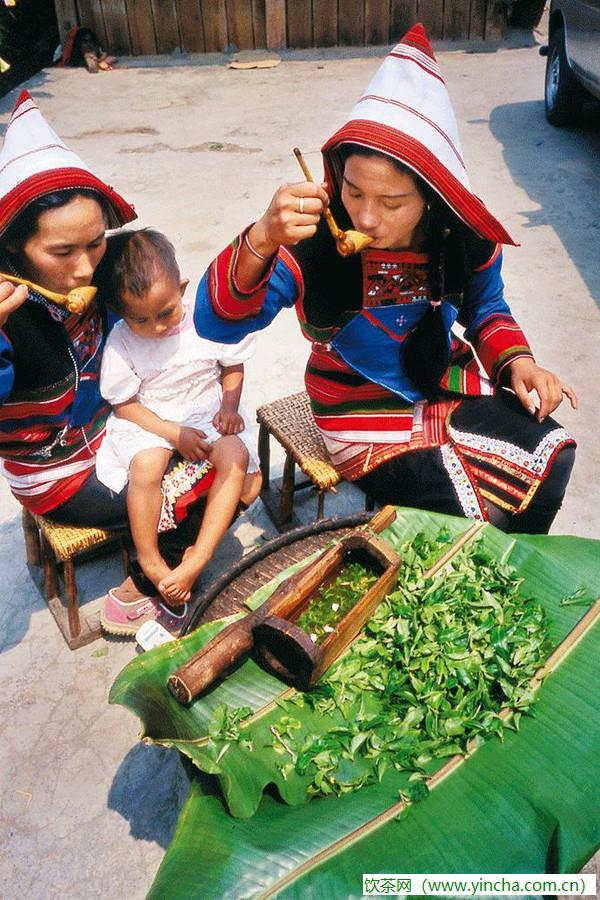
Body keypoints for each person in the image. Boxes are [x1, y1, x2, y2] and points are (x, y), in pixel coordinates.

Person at [195, 24, 577, 534]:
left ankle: (527, 563)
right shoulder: (312, 241)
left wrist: (520, 362)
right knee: (471, 513)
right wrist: (263, 237)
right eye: (354, 192)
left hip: (442, 381)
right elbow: (214, 324)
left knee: (553, 455)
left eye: (392, 202)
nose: (366, 218)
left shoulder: (461, 235)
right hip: (356, 410)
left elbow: (487, 309)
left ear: (432, 198)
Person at [0, 91, 225, 636]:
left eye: (96, 243)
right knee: (207, 478)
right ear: (12, 249)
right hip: (59, 473)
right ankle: (142, 591)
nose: (84, 268)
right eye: (60, 253)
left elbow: (160, 280)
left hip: (116, 431)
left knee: (225, 456)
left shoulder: (103, 268)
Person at [95, 229, 260, 606]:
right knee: (147, 467)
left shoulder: (207, 321)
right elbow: (125, 404)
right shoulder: (122, 341)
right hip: (152, 415)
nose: (157, 327)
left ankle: (197, 557)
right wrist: (172, 433)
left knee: (235, 456)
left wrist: (230, 408)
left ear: (181, 288)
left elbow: (231, 365)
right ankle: (151, 560)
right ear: (120, 314)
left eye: (165, 312)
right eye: (141, 320)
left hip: (205, 408)